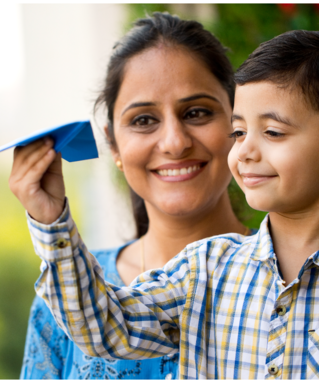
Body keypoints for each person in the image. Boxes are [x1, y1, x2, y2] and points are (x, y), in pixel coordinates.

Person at [14, 30, 319, 379]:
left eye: (272, 132)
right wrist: (52, 221)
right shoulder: (203, 269)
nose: (245, 151)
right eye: (239, 131)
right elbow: (100, 328)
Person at [15, 12, 252, 379]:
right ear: (113, 145)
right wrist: (49, 219)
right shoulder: (64, 301)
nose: (174, 142)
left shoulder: (300, 281)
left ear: (237, 126)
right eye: (143, 120)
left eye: (197, 112)